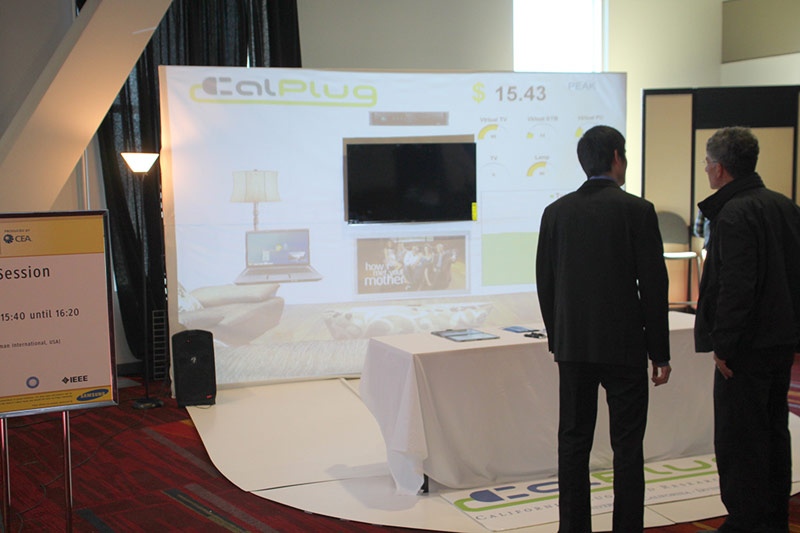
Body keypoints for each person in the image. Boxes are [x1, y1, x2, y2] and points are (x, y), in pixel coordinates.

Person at [536, 125, 671, 532]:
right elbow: (654, 286)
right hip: (625, 347)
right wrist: (660, 352)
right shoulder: (638, 210)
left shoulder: (556, 212)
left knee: (573, 442)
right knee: (627, 446)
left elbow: (546, 283)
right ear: (616, 157)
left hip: (573, 347)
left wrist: (558, 338)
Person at [694, 126, 800, 533]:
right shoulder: (784, 205)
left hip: (746, 347)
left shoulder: (734, 214)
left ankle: (745, 520)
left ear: (720, 168)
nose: (706, 170)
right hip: (781, 341)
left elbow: (736, 288)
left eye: (707, 164)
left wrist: (723, 346)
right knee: (774, 431)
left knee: (739, 438)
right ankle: (772, 518)